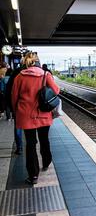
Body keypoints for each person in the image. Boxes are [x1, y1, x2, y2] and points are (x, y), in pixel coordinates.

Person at [11, 52, 60, 185]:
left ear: (26, 62)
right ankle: (46, 162)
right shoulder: (46, 75)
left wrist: (16, 112)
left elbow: (14, 97)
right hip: (43, 114)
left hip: (26, 115)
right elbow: (56, 91)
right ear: (38, 61)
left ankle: (33, 175)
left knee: (30, 145)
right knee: (44, 139)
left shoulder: (20, 77)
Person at [5, 60, 24, 154]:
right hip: (31, 106)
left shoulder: (16, 72)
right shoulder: (37, 72)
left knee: (18, 126)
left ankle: (19, 147)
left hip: (17, 105)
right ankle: (31, 145)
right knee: (30, 128)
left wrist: (10, 107)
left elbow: (8, 90)